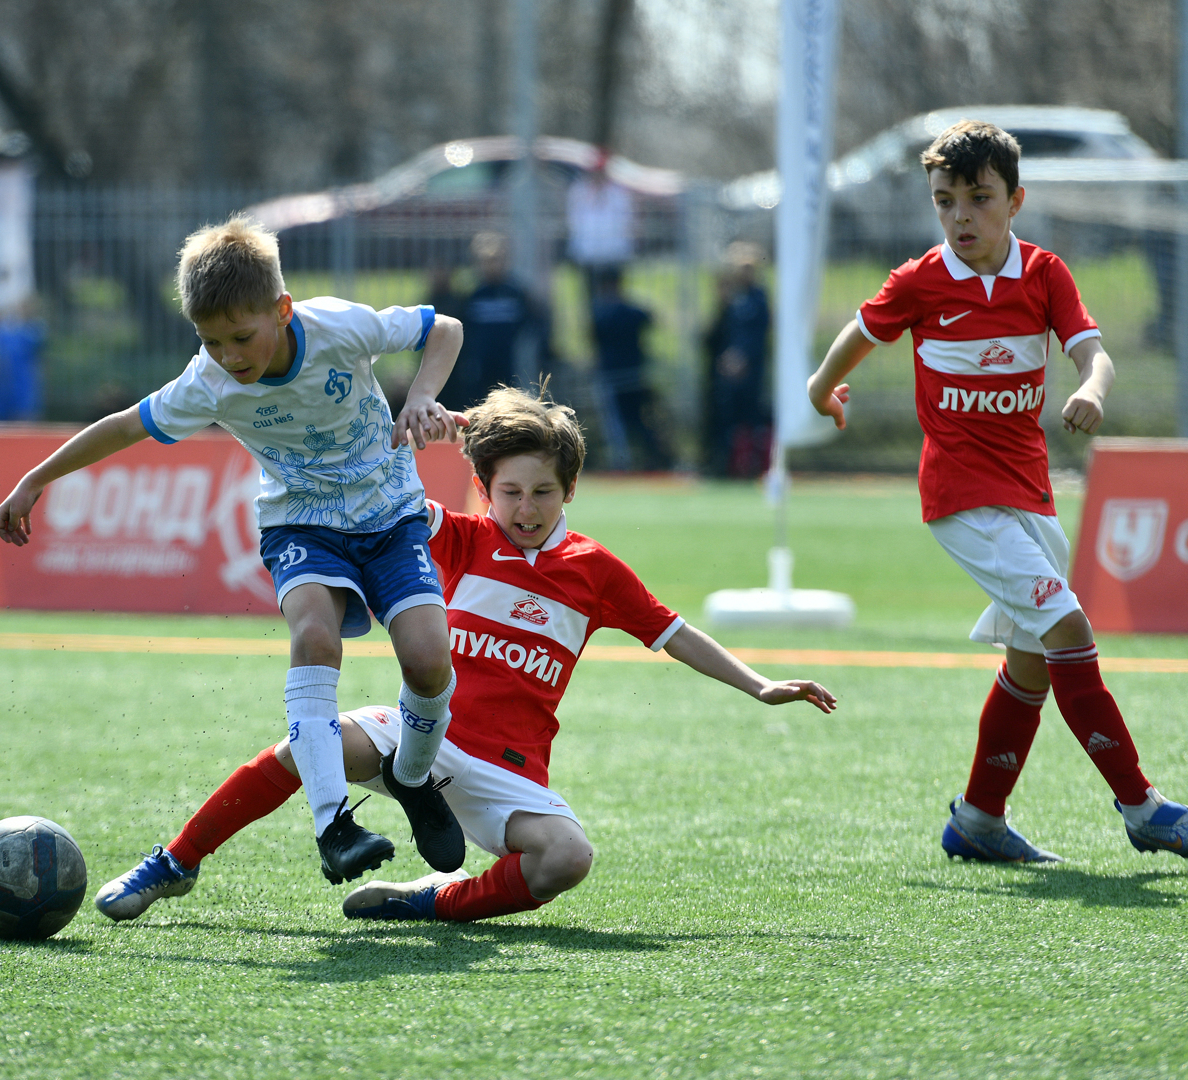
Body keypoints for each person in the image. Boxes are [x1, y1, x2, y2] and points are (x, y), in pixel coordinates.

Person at [91, 384, 837, 924]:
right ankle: (176, 862)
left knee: (567, 859)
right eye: (509, 491)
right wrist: (439, 426)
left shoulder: (595, 571)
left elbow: (675, 634)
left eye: (543, 491)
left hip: (506, 774)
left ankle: (434, 900)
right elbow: (381, 483)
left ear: (569, 489)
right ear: (485, 490)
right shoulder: (457, 537)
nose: (525, 507)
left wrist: (760, 684)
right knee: (303, 745)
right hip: (417, 733)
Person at [0, 216, 468, 885]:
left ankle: (412, 777)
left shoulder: (339, 325)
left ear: (282, 310)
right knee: (314, 637)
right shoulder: (209, 382)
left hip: (391, 514)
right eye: (211, 341)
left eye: (241, 337)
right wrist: (36, 476)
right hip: (301, 523)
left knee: (426, 663)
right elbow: (126, 425)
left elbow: (443, 327)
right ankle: (334, 824)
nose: (229, 356)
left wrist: (420, 395)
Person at [807, 119, 1188, 863]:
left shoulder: (1043, 275)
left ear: (1014, 200)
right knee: (1067, 626)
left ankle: (977, 821)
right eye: (945, 201)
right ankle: (1144, 808)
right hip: (961, 499)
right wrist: (821, 387)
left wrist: (1092, 391)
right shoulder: (920, 282)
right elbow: (860, 332)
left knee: (1034, 659)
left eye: (978, 198)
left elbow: (1092, 355)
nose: (961, 216)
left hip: (1031, 496)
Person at [456, 232, 551, 409]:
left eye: (496, 260)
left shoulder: (515, 292)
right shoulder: (473, 294)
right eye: (486, 261)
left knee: (510, 404)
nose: (492, 266)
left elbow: (532, 322)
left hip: (509, 361)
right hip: (481, 364)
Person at [702, 242, 772, 478]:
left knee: (751, 418)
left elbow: (756, 335)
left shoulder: (758, 299)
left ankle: (752, 465)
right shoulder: (730, 300)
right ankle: (726, 464)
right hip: (727, 373)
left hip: (750, 370)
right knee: (726, 418)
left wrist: (742, 359)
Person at [589, 268, 665, 471]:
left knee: (620, 421)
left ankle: (625, 461)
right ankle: (633, 459)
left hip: (618, 374)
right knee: (628, 420)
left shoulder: (603, 312)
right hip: (629, 372)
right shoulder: (626, 311)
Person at [565, 150, 635, 299]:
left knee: (613, 292)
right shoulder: (579, 191)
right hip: (589, 253)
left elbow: (625, 219)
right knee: (590, 293)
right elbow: (574, 220)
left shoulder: (617, 192)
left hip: (613, 252)